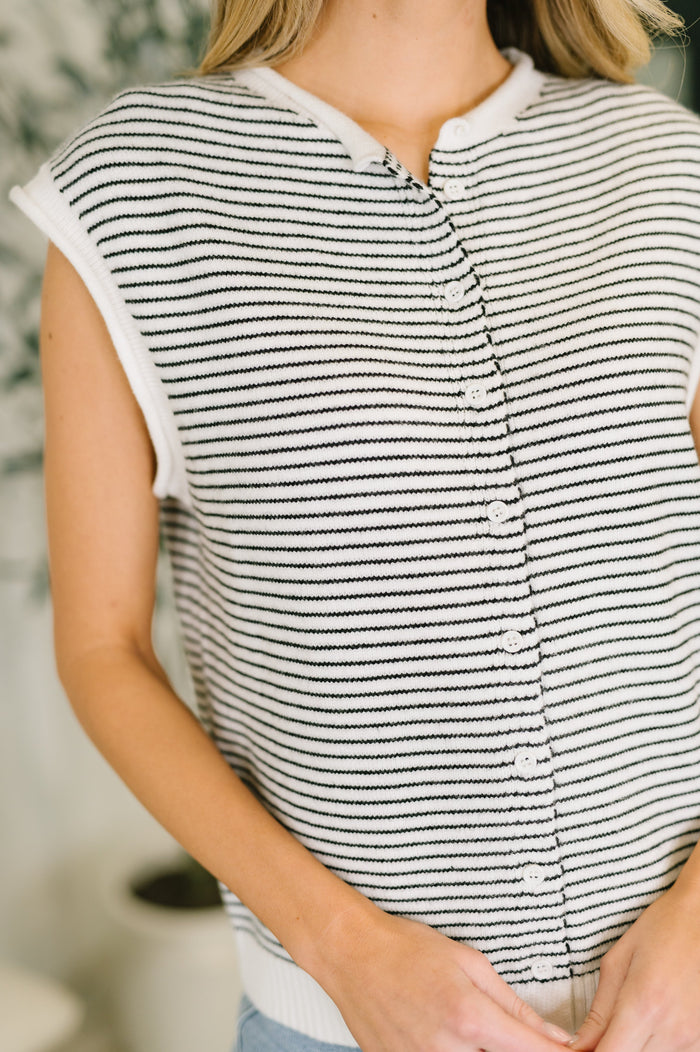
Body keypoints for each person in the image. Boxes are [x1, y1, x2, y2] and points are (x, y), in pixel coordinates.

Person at [10, 0, 700, 1048]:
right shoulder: (132, 188)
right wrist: (344, 949)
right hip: (344, 1021)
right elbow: (102, 650)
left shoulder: (663, 167)